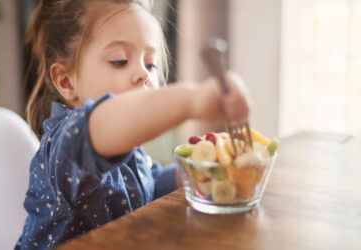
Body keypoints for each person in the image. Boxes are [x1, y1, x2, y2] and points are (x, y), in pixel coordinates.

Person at [15, 0, 250, 249]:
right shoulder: (66, 145)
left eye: (150, 64)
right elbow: (107, 122)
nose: (144, 75)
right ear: (66, 82)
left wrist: (195, 171)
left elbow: (149, 183)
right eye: (119, 61)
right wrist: (192, 99)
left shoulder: (126, 147)